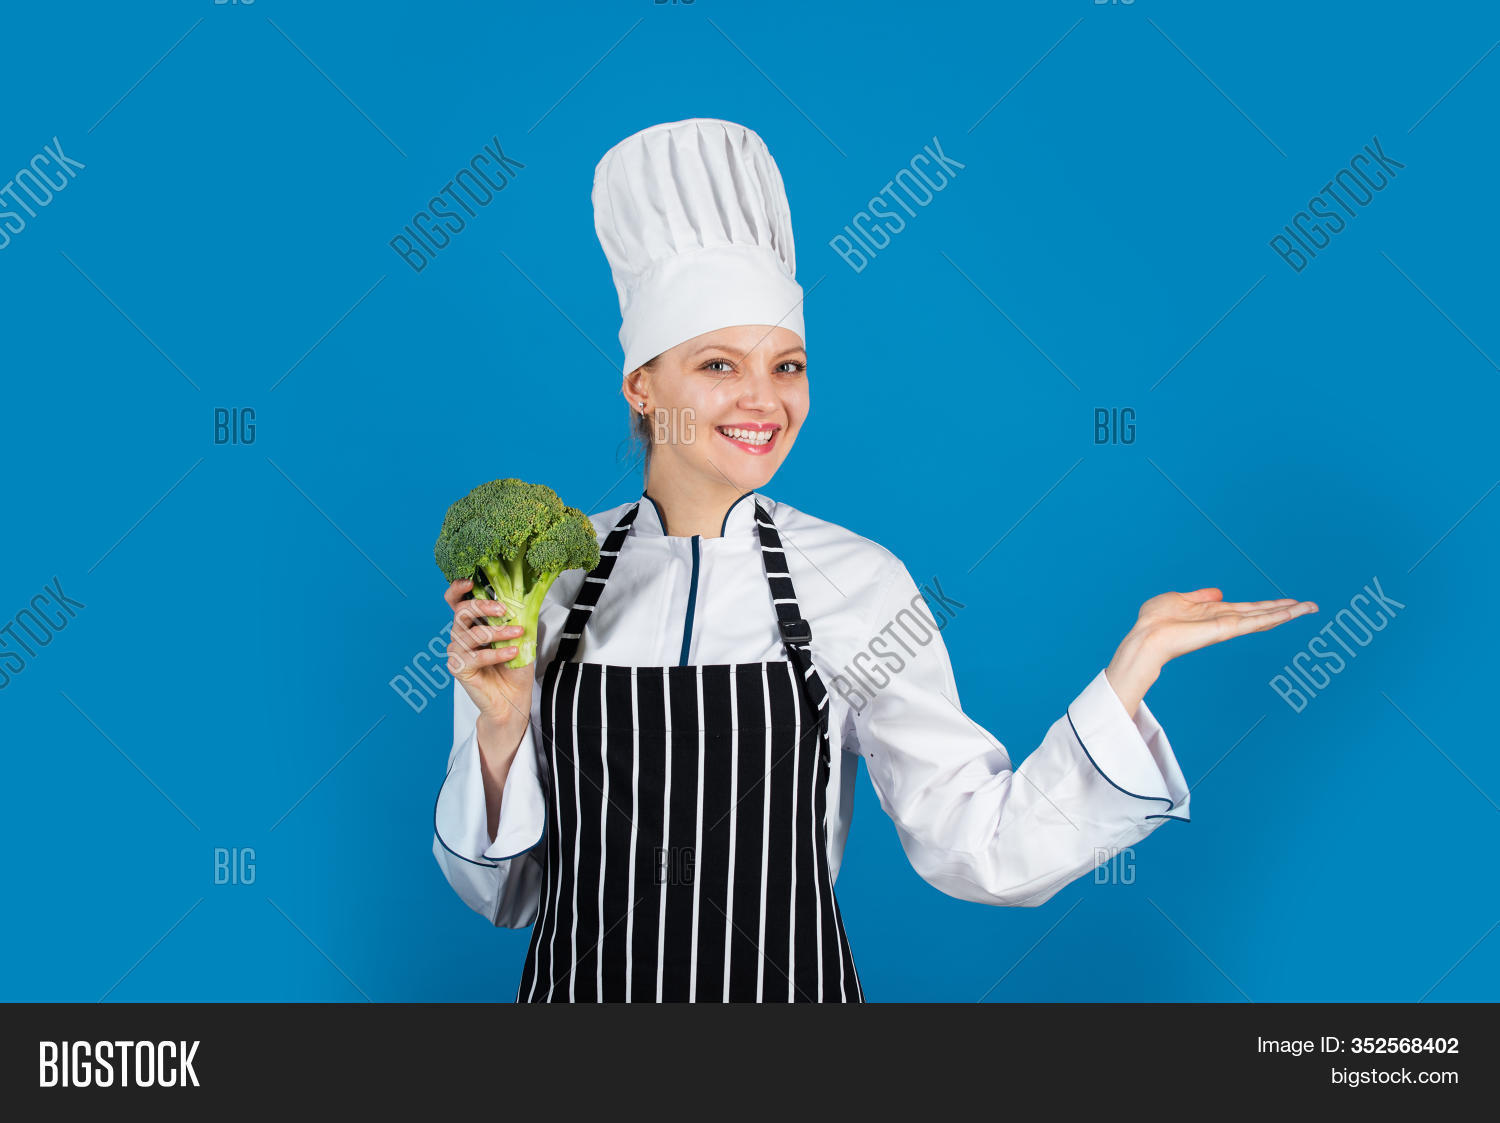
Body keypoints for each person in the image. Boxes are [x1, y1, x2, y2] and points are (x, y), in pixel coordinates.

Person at [431, 118, 1317, 1003]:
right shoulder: (546, 579)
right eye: (717, 364)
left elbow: (981, 843)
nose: (762, 399)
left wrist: (1128, 674)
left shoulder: (855, 582)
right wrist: (503, 730)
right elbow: (502, 894)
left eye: (787, 365)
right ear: (640, 384)